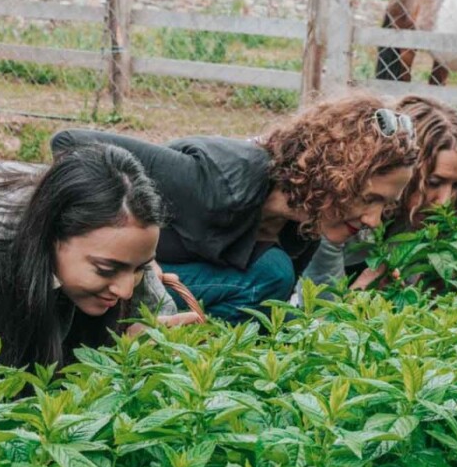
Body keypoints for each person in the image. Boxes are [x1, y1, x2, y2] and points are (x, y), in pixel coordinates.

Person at [50, 94, 419, 323]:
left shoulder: (300, 225)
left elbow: (282, 311)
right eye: (369, 198)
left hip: (140, 288)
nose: (372, 220)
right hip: (107, 279)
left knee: (274, 276)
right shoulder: (217, 182)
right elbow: (69, 142)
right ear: (336, 175)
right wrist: (139, 264)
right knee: (272, 273)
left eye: (384, 206)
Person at [0, 144, 195, 369]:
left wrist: (149, 343)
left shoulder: (120, 242)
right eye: (105, 269)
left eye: (139, 268)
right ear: (52, 236)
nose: (125, 289)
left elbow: (159, 319)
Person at [299, 94, 457, 292]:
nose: (445, 201)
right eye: (433, 182)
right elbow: (318, 312)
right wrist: (359, 295)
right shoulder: (345, 213)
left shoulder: (423, 220)